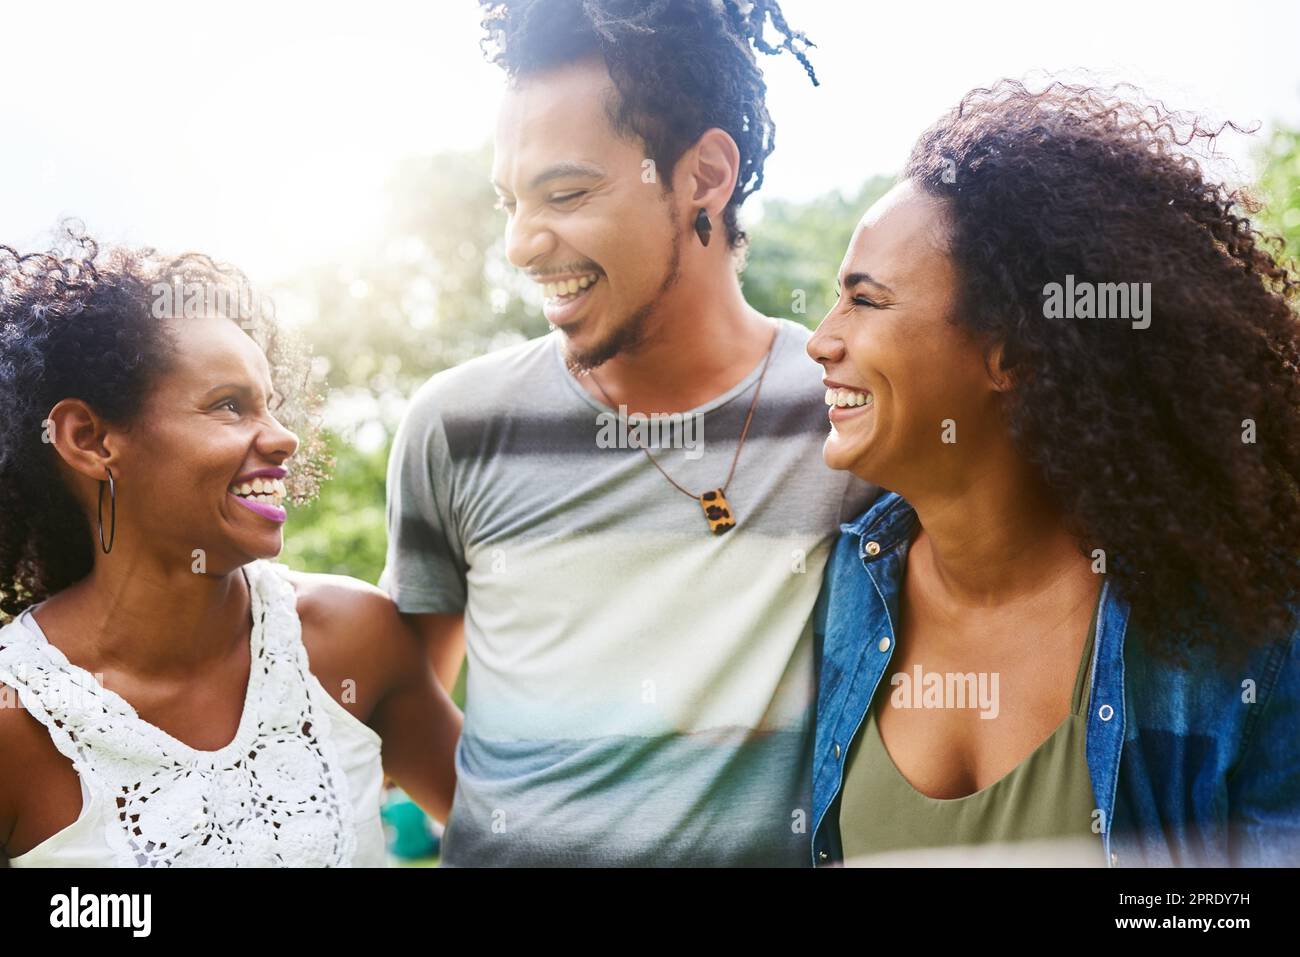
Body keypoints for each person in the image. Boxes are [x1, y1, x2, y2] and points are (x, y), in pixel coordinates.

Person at [381, 0, 877, 866]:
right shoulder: (457, 427)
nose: (522, 245)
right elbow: (399, 690)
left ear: (704, 175)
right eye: (511, 201)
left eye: (566, 193)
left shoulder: (849, 413)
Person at [807, 80, 1300, 867]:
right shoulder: (843, 588)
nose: (821, 340)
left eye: (864, 302)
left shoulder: (1241, 631)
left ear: (1009, 353)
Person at [0, 235, 462, 867]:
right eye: (229, 406)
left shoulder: (352, 637)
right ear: (90, 438)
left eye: (268, 404)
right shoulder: (15, 720)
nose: (283, 437)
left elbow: (521, 832)